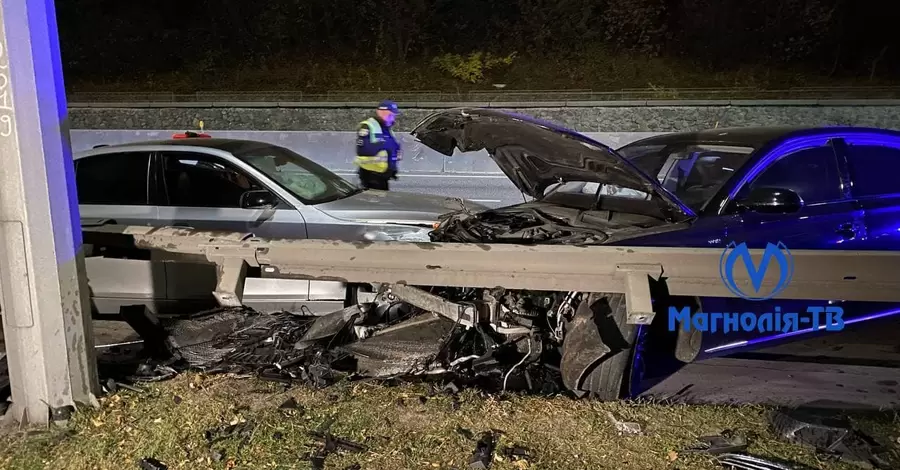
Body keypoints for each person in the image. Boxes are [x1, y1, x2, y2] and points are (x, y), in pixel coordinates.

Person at [354, 100, 402, 190]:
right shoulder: (368, 126)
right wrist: (385, 145)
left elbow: (393, 148)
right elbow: (364, 150)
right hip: (371, 175)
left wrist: (392, 168)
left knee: (382, 201)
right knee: (374, 202)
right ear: (382, 112)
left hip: (383, 175)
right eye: (391, 115)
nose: (393, 119)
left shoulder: (387, 129)